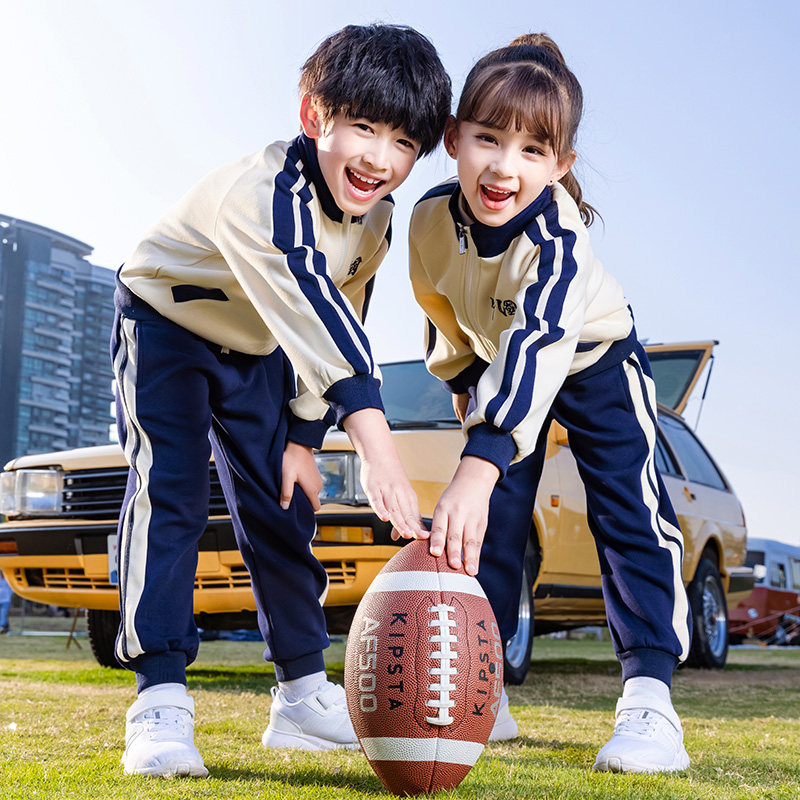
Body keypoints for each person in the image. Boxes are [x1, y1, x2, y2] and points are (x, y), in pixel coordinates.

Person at [112, 24, 450, 778]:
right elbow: (311, 306)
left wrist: (304, 434)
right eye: (362, 127)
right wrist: (378, 446)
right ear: (313, 117)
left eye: (402, 141)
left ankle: (299, 695)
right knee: (168, 496)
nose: (379, 159)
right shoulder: (261, 190)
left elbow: (344, 309)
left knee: (285, 505)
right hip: (169, 325)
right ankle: (159, 699)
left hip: (260, 346)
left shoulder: (378, 219)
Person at [408, 33, 691, 773]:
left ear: (561, 166)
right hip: (505, 367)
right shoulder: (429, 220)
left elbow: (541, 343)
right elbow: (441, 309)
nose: (505, 166)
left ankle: (650, 701)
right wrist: (468, 388)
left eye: (534, 150)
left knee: (628, 512)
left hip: (594, 359)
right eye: (488, 139)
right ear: (453, 139)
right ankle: (485, 688)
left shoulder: (560, 234)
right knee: (491, 524)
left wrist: (484, 455)